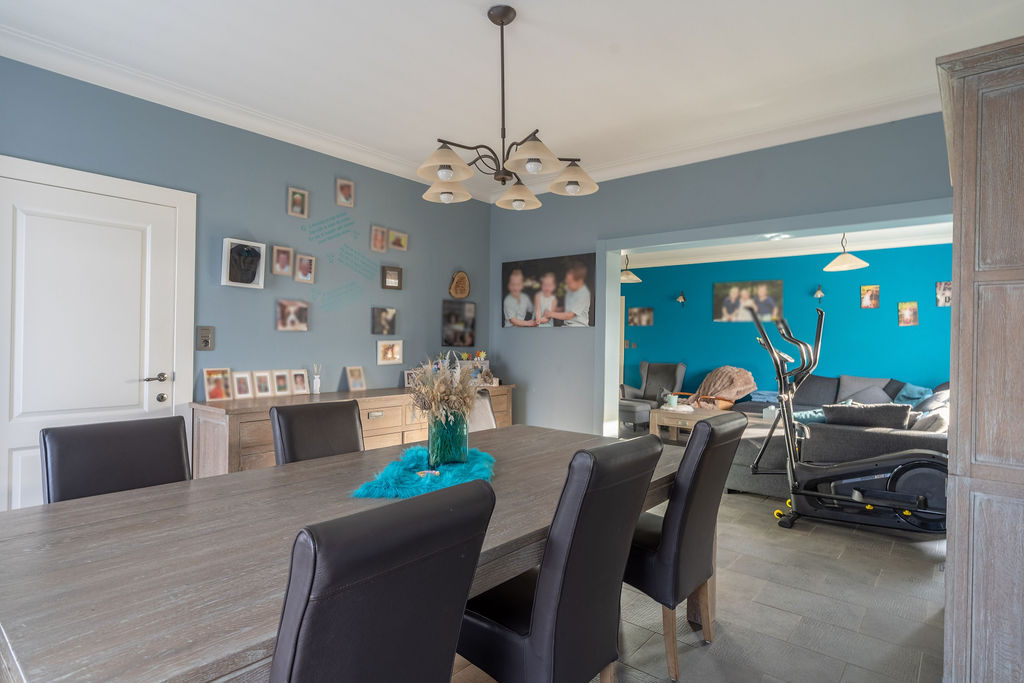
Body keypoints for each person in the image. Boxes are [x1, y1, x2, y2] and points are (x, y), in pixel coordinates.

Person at [545, 261, 591, 327]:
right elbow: (567, 308)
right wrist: (552, 309)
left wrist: (551, 314)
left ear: (579, 281)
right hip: (566, 326)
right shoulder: (570, 290)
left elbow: (569, 315)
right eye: (567, 281)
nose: (567, 284)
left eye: (570, 282)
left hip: (578, 327)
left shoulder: (583, 294)